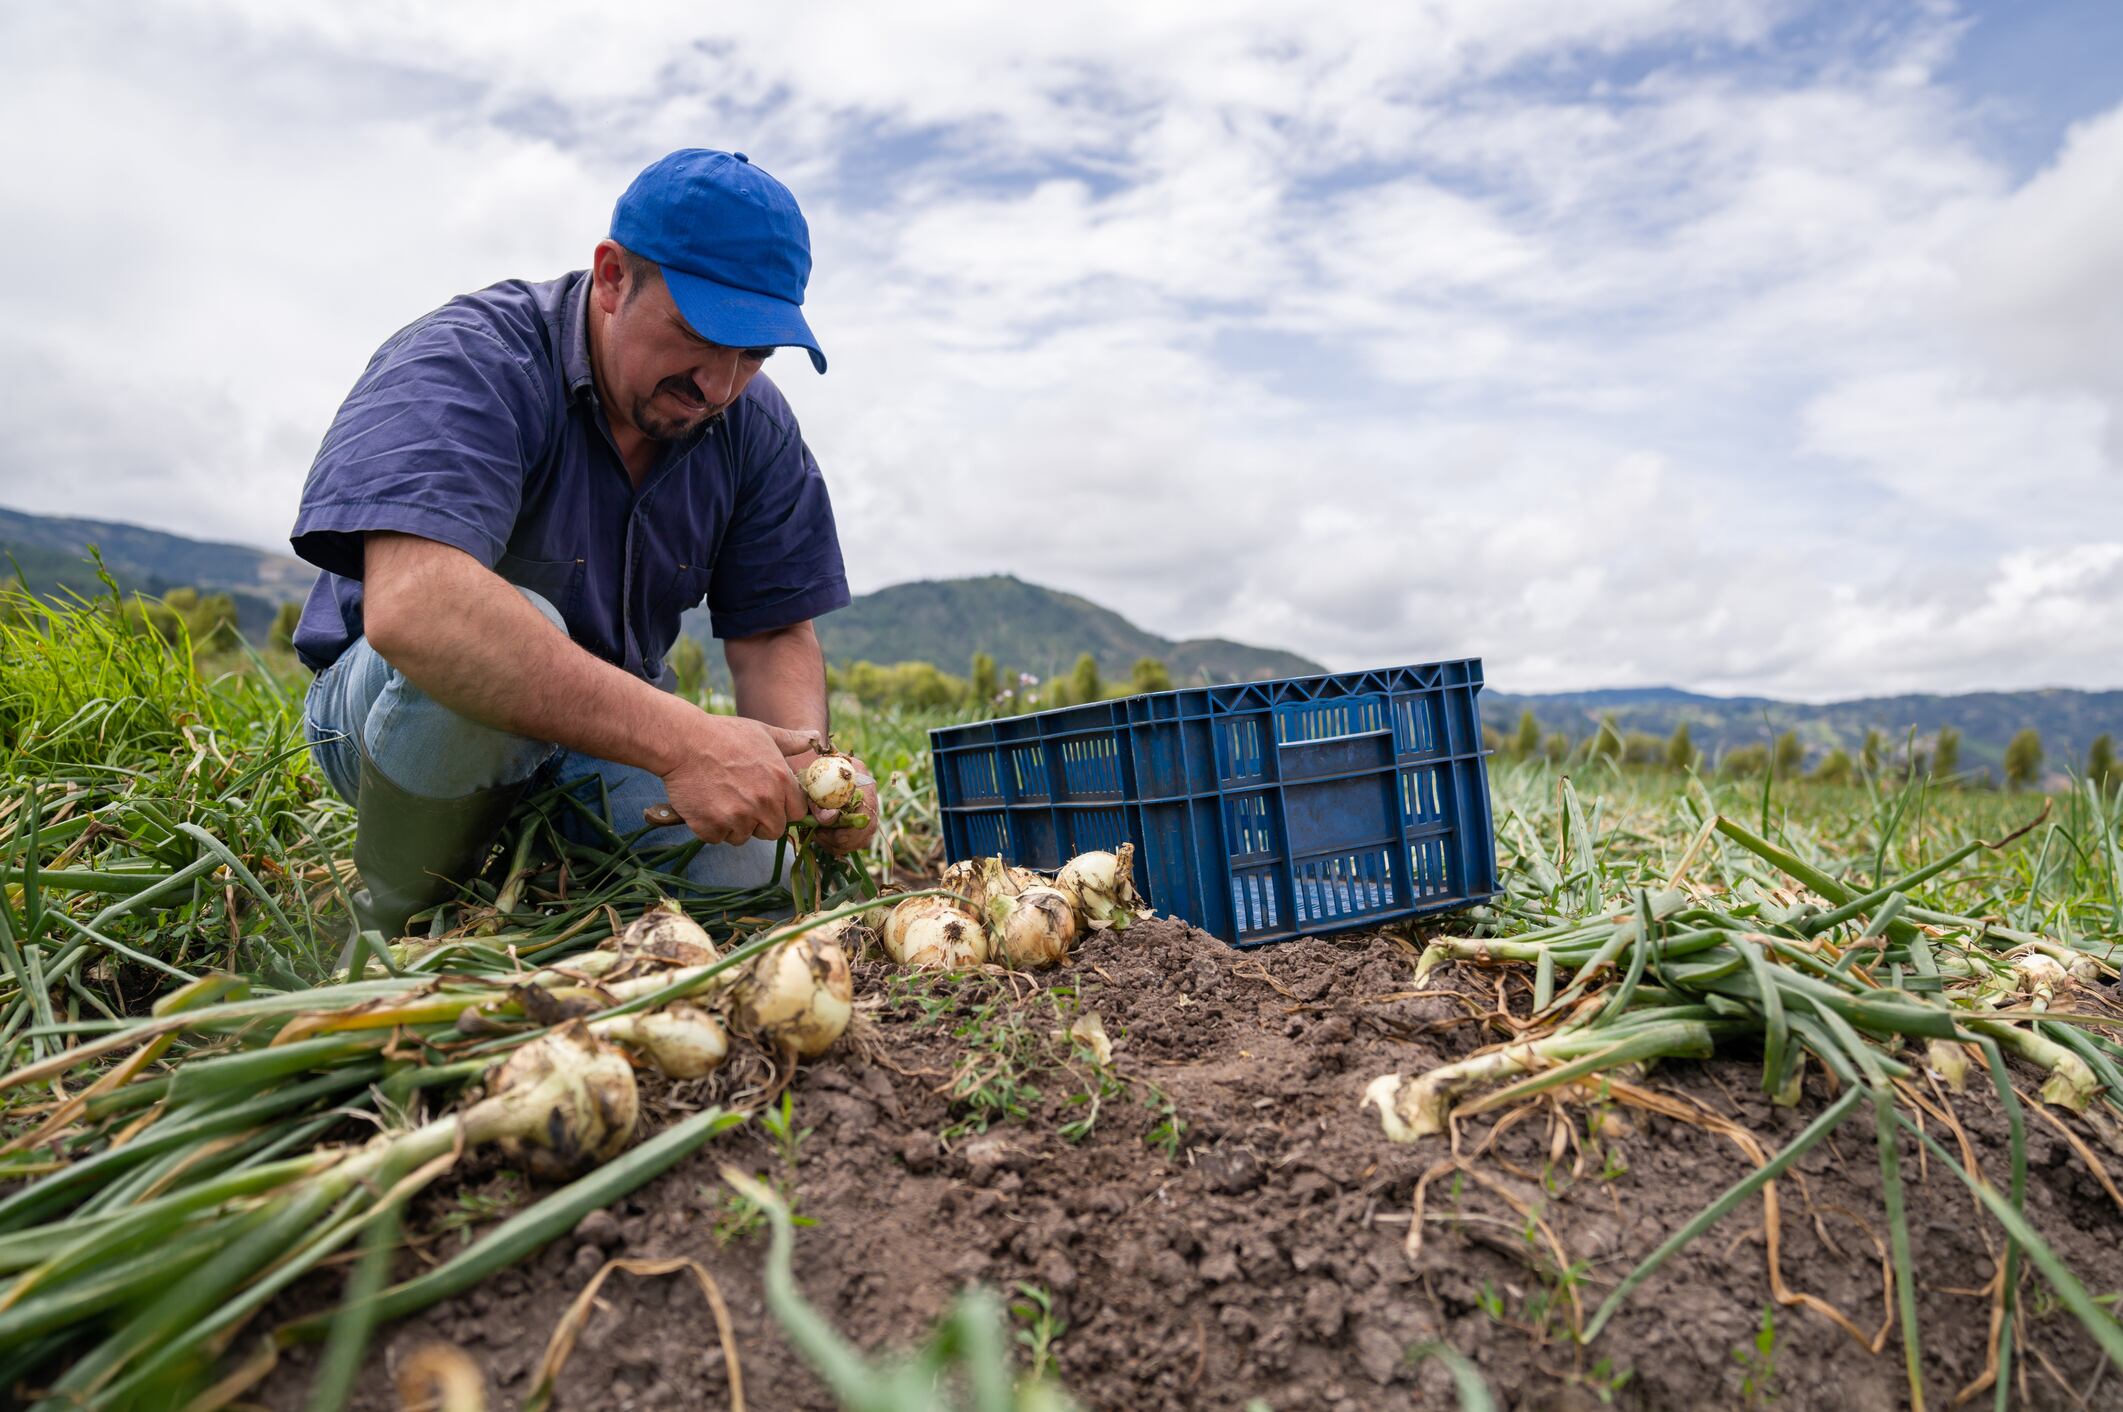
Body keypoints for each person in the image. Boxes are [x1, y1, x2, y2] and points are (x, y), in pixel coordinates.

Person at [287, 148, 876, 949]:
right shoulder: (472, 358)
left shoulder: (751, 425)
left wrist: (808, 774)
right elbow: (417, 606)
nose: (720, 385)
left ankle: (550, 874)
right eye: (700, 334)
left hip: (607, 734)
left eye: (755, 354)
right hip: (394, 715)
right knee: (503, 625)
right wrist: (686, 740)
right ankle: (397, 911)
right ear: (611, 277)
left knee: (756, 885)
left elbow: (773, 630)